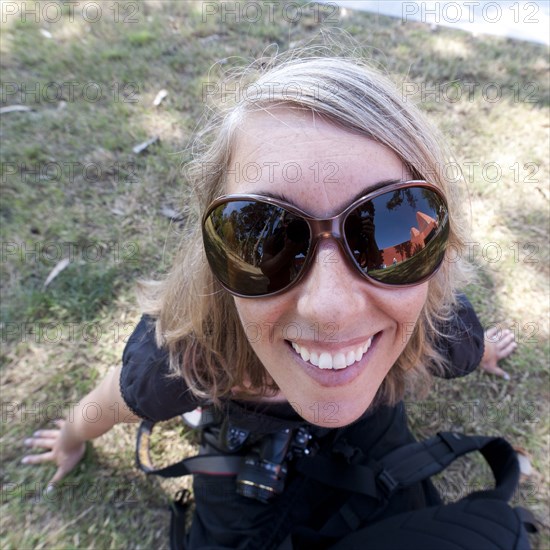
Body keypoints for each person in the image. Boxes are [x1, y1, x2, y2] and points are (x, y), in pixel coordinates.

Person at [22, 54, 518, 548]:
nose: (331, 310)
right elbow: (111, 401)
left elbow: (462, 347)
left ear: (439, 250)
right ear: (212, 257)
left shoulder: (443, 329)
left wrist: (483, 350)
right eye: (264, 237)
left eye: (387, 229)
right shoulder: (188, 359)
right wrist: (71, 437)